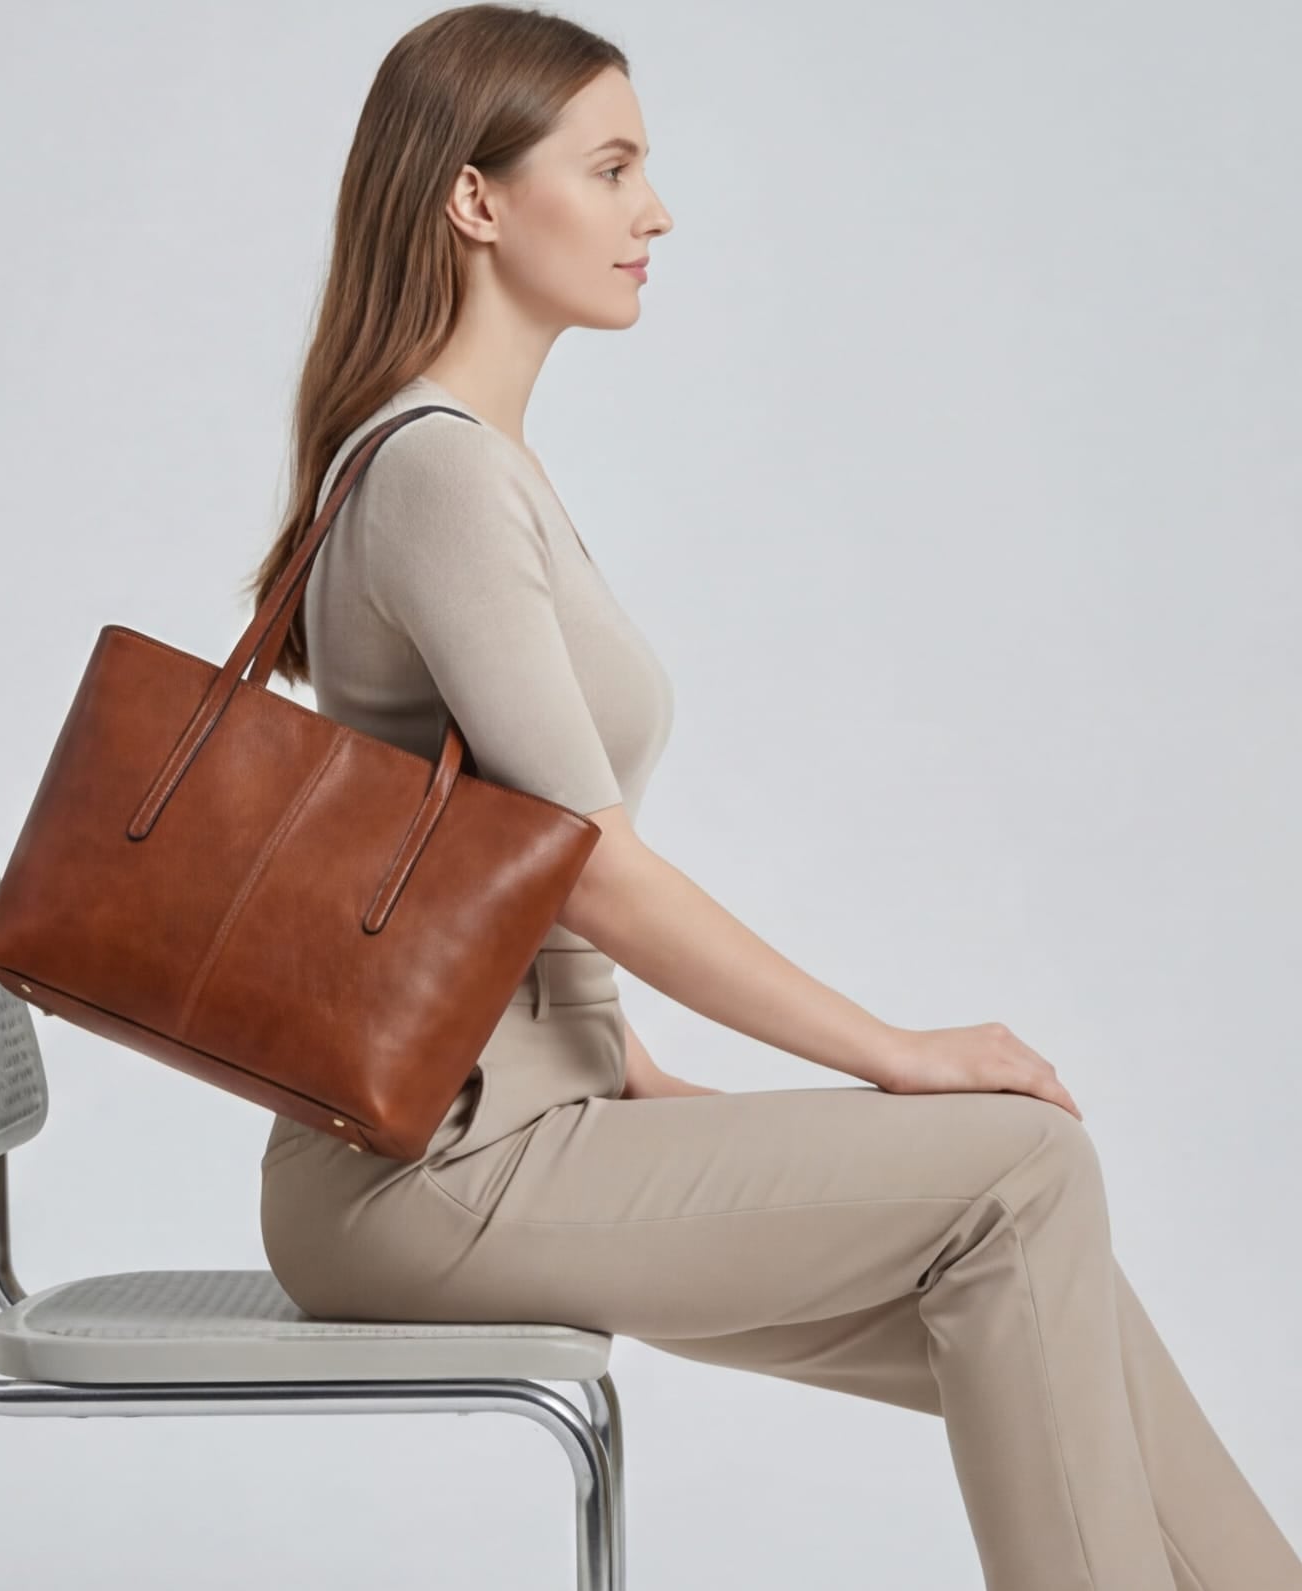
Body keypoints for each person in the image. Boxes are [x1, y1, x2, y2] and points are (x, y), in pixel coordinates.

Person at [240, 7, 1301, 1587]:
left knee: (1033, 1289)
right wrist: (899, 1055)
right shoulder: (437, 469)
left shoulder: (470, 465)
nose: (654, 210)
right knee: (1021, 1168)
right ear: (476, 200)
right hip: (435, 1180)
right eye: (610, 168)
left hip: (522, 1132)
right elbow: (586, 868)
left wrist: (662, 1090)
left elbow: (505, 892)